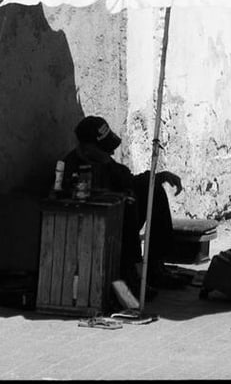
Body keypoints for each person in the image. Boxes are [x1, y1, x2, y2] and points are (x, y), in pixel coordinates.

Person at [63, 115, 189, 293]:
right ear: (89, 147)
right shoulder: (72, 166)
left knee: (153, 190)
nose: (111, 153)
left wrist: (159, 177)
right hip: (93, 229)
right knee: (129, 203)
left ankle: (154, 267)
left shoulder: (106, 162)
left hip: (118, 223)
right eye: (105, 149)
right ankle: (131, 274)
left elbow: (129, 181)